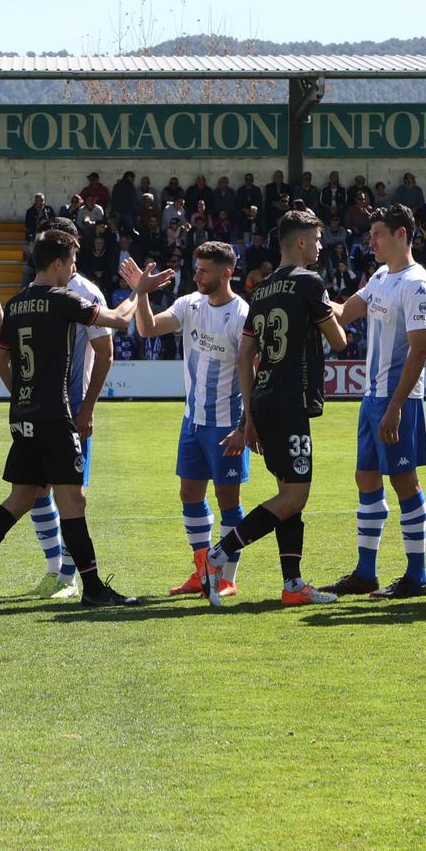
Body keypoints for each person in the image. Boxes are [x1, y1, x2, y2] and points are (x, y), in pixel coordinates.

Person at [0, 229, 139, 608]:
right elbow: (117, 321)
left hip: (24, 414)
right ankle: (94, 588)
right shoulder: (64, 300)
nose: (74, 269)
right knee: (73, 500)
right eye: (72, 262)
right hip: (53, 415)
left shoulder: (15, 305)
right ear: (57, 263)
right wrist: (138, 293)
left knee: (21, 497)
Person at [203, 210, 348, 603]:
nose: (320, 247)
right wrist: (333, 306)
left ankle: (292, 584)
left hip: (264, 400)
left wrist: (248, 415)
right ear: (300, 242)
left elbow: (245, 354)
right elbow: (339, 341)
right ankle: (221, 553)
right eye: (316, 240)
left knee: (287, 491)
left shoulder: (262, 290)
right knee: (294, 496)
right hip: (290, 401)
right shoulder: (310, 283)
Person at [118, 243, 250, 601]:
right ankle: (203, 570)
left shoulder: (241, 315)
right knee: (189, 494)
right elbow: (147, 330)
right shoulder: (190, 304)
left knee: (228, 501)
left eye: (204, 270)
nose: (197, 275)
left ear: (227, 273)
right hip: (192, 421)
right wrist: (142, 293)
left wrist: (245, 427)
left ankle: (226, 577)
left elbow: (252, 374)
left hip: (226, 424)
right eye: (196, 268)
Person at [327, 206, 426, 598]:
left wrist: (395, 407)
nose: (370, 240)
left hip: (397, 400)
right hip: (371, 397)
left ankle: (417, 576)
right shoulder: (379, 276)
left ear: (401, 235)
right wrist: (310, 291)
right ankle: (365, 572)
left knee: (404, 481)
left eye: (377, 233)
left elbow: (420, 350)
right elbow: (343, 312)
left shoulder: (417, 282)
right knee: (366, 477)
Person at [25, 216, 114, 598]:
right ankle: (54, 568)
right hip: (39, 406)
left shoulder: (86, 292)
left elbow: (105, 352)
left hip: (71, 404)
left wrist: (88, 408)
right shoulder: (37, 288)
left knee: (71, 492)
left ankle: (68, 574)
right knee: (35, 490)